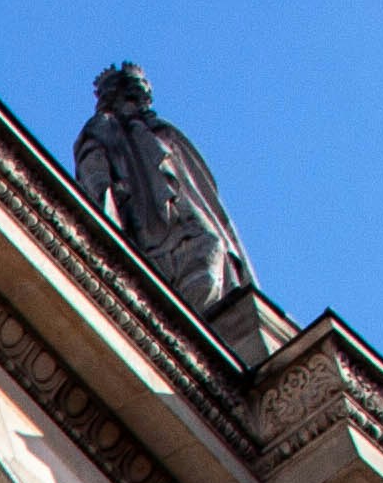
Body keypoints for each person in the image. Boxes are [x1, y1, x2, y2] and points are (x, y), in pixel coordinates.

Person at [71, 63, 257, 322]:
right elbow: (96, 183)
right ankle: (182, 329)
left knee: (211, 244)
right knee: (198, 257)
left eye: (140, 93)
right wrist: (109, 235)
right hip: (145, 223)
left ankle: (199, 328)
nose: (139, 100)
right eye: (131, 93)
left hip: (184, 212)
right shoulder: (101, 129)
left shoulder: (161, 129)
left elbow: (202, 190)